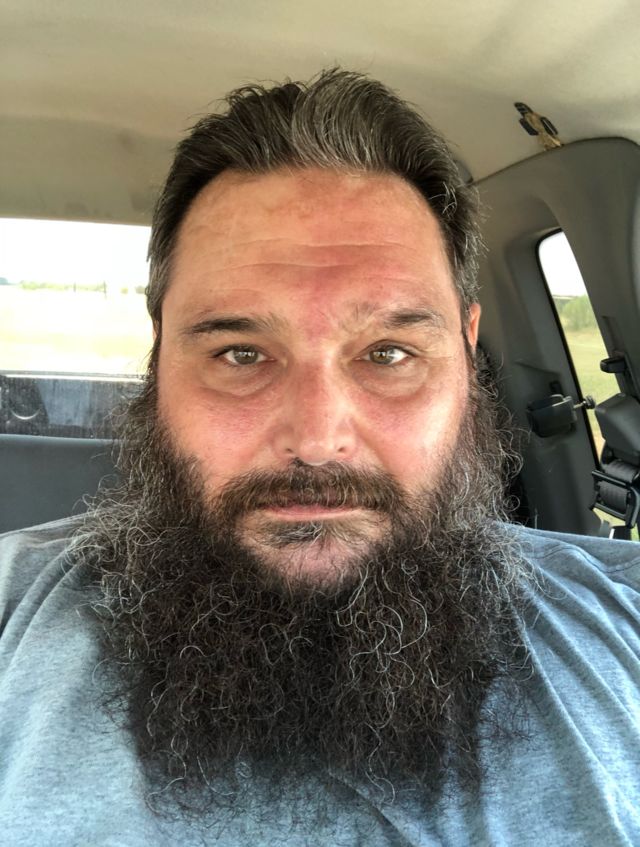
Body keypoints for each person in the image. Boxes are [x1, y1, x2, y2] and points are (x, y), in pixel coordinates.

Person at [0, 68, 638, 846]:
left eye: (389, 352)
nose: (316, 437)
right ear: (160, 354)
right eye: (240, 353)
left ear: (468, 352)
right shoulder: (13, 618)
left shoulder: (623, 624)